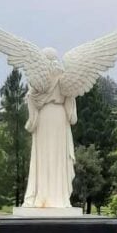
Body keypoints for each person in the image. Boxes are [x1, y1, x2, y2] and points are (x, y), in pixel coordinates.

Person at [23, 58, 77, 208]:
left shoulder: (38, 81)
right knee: (57, 157)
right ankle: (59, 197)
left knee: (43, 157)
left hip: (43, 119)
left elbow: (32, 99)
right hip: (59, 119)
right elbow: (72, 118)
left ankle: (42, 196)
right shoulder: (65, 80)